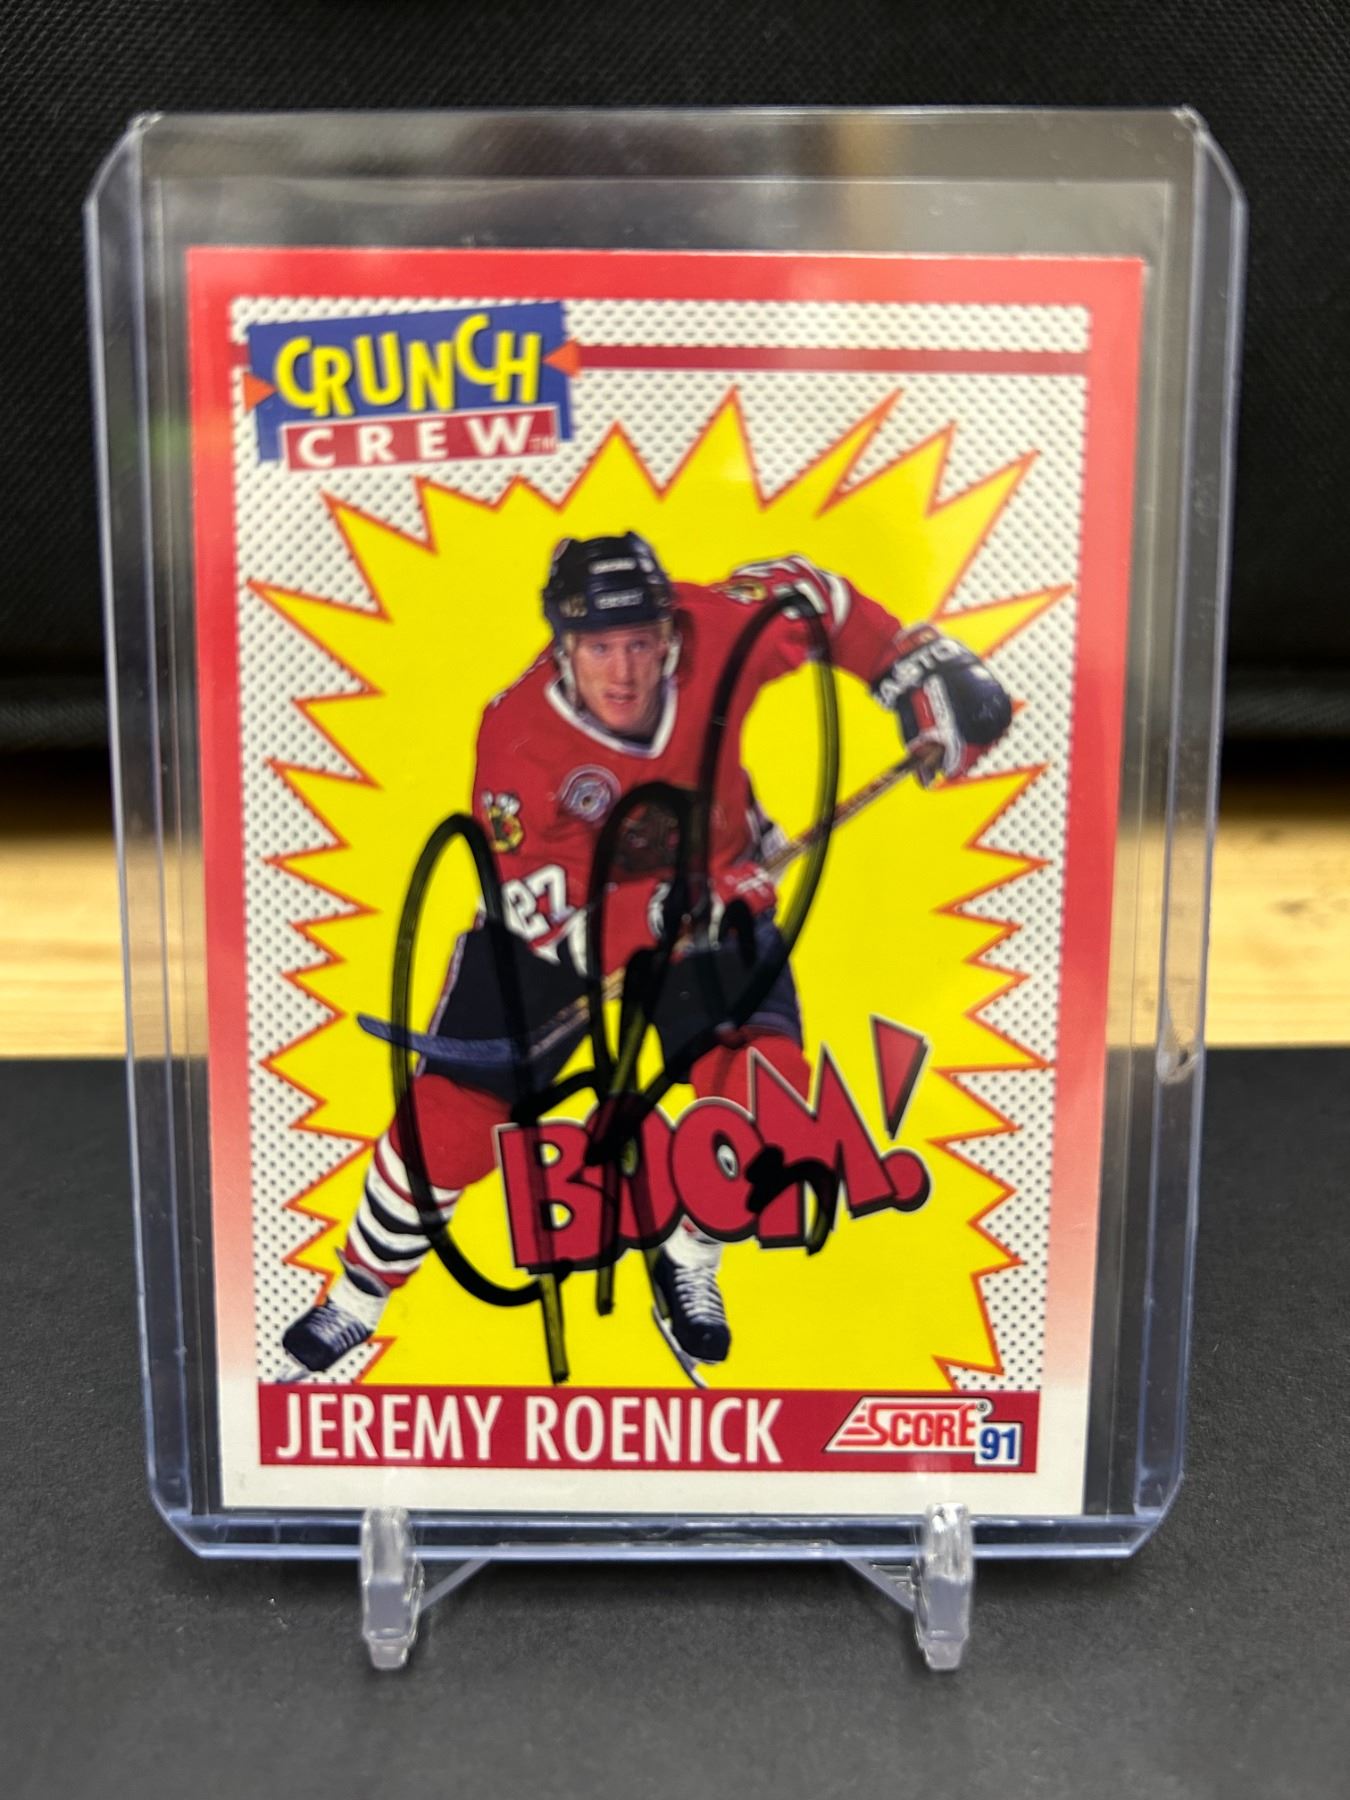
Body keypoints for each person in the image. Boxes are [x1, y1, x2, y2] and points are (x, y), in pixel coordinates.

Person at [281, 533, 1012, 1377]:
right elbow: (533, 900)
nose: (623, 671)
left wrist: (906, 663)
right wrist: (654, 911)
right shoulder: (517, 737)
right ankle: (358, 1296)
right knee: (449, 1125)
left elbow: (814, 595)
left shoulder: (718, 631)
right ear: (564, 648)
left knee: (761, 1099)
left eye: (639, 643)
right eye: (599, 648)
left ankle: (688, 1262)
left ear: (669, 633)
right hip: (550, 934)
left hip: (721, 902)